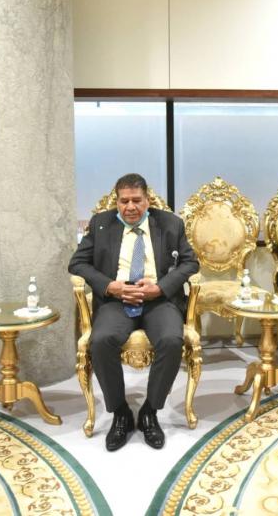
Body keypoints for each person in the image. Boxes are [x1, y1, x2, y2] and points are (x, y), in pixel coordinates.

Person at [68, 173, 198, 451]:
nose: (130, 207)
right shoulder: (101, 224)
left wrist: (160, 287)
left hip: (158, 299)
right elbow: (77, 263)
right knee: (101, 341)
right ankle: (121, 413)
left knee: (171, 340)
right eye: (124, 201)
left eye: (136, 200)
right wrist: (110, 286)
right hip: (117, 300)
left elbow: (190, 263)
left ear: (147, 200)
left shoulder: (171, 223)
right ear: (116, 201)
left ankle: (150, 411)